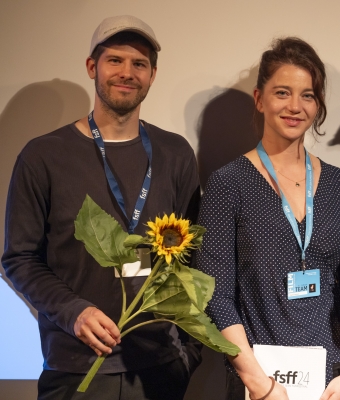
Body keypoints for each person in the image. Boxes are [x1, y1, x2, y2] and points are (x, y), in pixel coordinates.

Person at [2, 15, 201, 399]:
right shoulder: (43, 155)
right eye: (115, 61)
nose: (127, 73)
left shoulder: (175, 153)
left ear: (152, 75)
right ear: (92, 67)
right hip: (77, 368)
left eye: (139, 63)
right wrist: (73, 311)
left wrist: (187, 354)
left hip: (159, 370)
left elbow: (192, 259)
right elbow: (19, 258)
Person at [196, 37, 340, 400]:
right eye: (282, 93)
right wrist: (260, 384)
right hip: (260, 381)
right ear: (259, 99)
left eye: (307, 95)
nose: (295, 106)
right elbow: (214, 295)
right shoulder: (229, 183)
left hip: (335, 382)